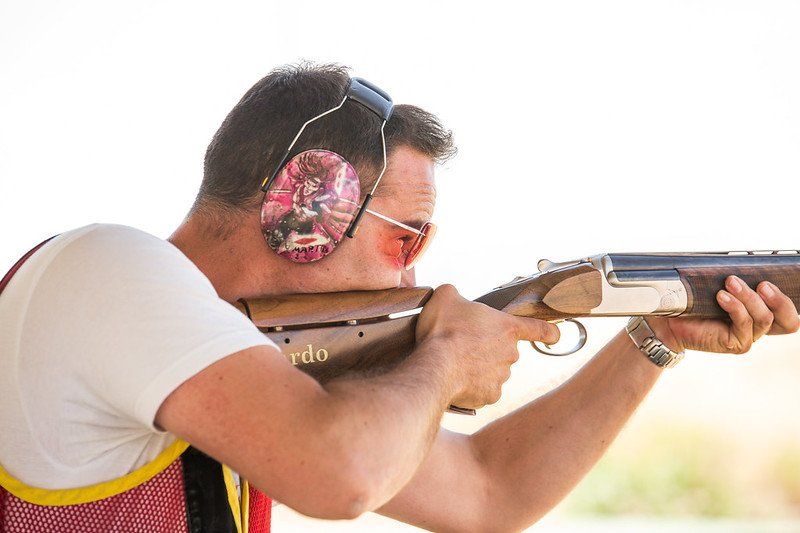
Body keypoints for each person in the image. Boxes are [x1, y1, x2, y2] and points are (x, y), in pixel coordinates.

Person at [1, 63, 797, 533]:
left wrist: (654, 337)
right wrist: (445, 360)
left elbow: (490, 490)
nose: (413, 279)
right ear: (307, 204)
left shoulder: (234, 358)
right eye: (405, 238)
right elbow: (340, 474)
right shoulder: (109, 267)